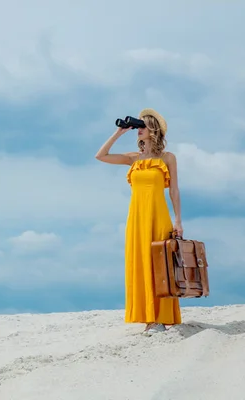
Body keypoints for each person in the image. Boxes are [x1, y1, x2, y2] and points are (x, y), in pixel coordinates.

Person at [95, 108, 183, 336]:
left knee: (159, 266)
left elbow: (174, 190)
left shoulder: (167, 158)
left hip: (158, 216)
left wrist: (178, 220)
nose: (138, 130)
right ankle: (148, 319)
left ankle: (161, 319)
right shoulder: (133, 158)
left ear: (154, 130)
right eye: (138, 126)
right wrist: (118, 133)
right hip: (136, 218)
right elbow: (101, 156)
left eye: (142, 126)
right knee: (141, 264)